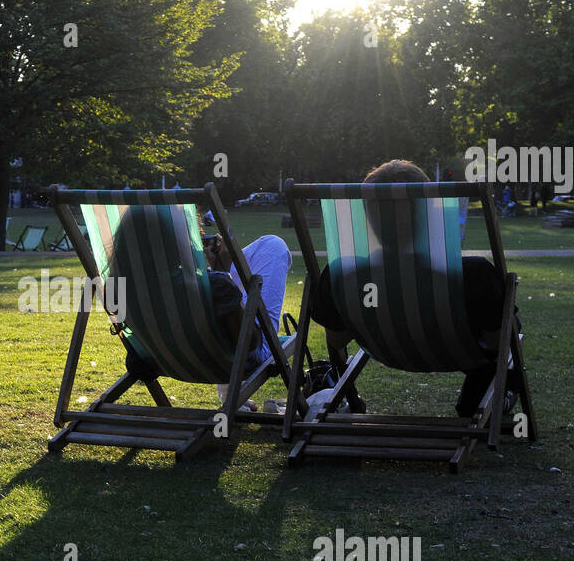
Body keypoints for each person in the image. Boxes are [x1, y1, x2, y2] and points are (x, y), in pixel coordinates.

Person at [310, 160, 520, 417]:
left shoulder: (342, 275)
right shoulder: (473, 275)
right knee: (505, 331)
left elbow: (338, 339)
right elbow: (496, 342)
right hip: (459, 353)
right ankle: (483, 402)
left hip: (386, 353)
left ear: (367, 215)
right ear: (428, 212)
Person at [202, 231, 292, 407]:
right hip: (234, 355)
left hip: (164, 356)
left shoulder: (138, 281)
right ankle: (232, 392)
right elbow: (249, 342)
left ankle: (231, 394)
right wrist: (222, 274)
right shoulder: (206, 279)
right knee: (275, 245)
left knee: (266, 244)